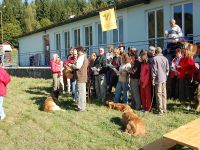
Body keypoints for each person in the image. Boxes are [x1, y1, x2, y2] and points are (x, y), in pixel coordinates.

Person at [69, 47, 88, 111]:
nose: (76, 52)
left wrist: (72, 65)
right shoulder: (85, 57)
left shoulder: (81, 57)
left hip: (80, 77)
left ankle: (80, 107)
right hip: (83, 77)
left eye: (77, 51)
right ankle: (83, 106)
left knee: (80, 93)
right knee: (82, 93)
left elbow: (77, 66)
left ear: (79, 51)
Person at [152, 47, 169, 115]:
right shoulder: (165, 59)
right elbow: (167, 69)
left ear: (156, 52)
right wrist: (165, 76)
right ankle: (164, 109)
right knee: (164, 94)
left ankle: (160, 111)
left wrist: (153, 79)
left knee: (158, 94)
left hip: (158, 79)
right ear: (161, 52)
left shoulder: (155, 59)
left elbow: (154, 70)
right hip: (164, 79)